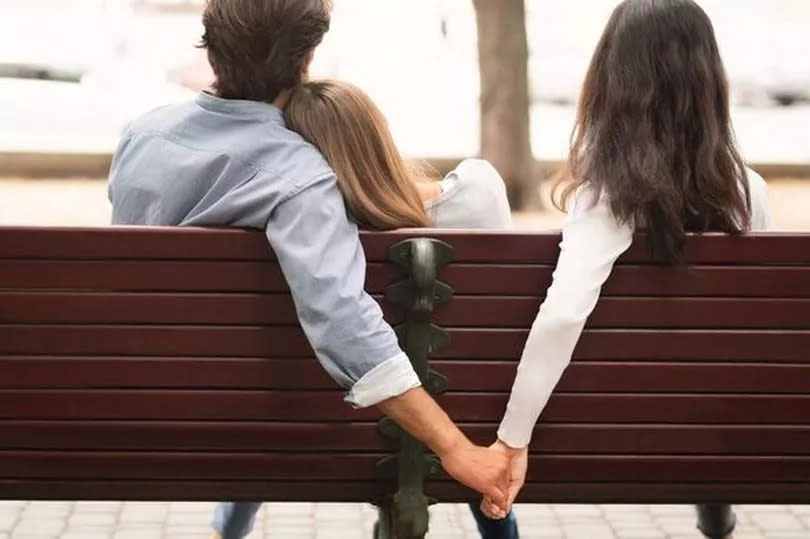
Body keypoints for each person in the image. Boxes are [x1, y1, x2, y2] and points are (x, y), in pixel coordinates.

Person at [104, 2, 511, 539]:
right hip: (277, 419)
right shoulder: (300, 176)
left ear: (213, 49)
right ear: (307, 59)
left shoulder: (143, 134)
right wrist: (457, 449)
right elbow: (339, 319)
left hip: (142, 407)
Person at [478, 2, 772, 539]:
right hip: (724, 435)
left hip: (613, 438)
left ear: (611, 80)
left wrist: (512, 439)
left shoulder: (608, 198)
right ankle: (714, 493)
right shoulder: (751, 193)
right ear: (710, 81)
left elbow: (564, 314)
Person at [212, 80, 519, 539]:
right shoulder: (478, 191)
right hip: (451, 420)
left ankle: (227, 531)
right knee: (461, 388)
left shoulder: (285, 229)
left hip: (311, 424)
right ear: (378, 134)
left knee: (280, 394)